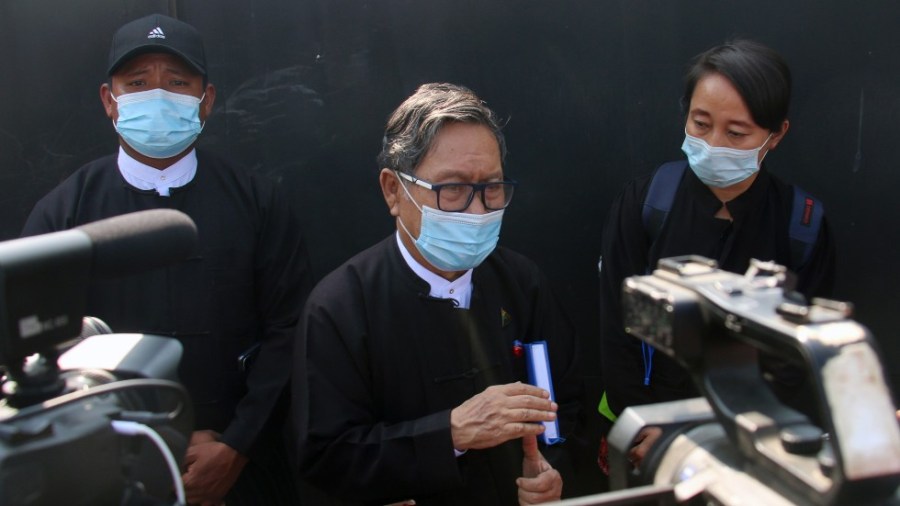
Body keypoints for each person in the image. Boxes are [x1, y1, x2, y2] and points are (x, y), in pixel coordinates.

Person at [21, 14, 311, 505]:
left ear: (207, 100)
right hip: (105, 474)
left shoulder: (257, 202)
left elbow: (291, 331)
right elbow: (35, 353)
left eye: (177, 83)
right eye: (137, 83)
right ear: (109, 101)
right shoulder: (63, 214)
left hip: (240, 472)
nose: (157, 96)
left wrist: (237, 446)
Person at [292, 82, 583, 505]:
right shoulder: (340, 308)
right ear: (394, 190)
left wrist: (554, 471)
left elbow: (567, 404)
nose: (478, 211)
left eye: (492, 188)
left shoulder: (522, 283)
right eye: (454, 190)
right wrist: (450, 433)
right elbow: (326, 456)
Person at [597, 40, 836, 468]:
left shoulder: (802, 225)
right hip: (650, 432)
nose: (713, 143)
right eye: (701, 123)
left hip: (751, 446)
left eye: (737, 133)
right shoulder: (646, 202)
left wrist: (739, 439)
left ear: (776, 134)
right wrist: (647, 426)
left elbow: (796, 359)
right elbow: (617, 325)